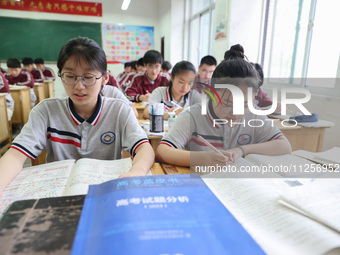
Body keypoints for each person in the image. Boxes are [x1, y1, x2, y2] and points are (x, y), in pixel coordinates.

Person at [0, 37, 155, 197]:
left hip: (103, 194)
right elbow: (15, 155)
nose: (79, 86)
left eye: (88, 77)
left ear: (105, 78)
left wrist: (136, 172)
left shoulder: (119, 110)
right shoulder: (45, 111)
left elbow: (144, 148)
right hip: (58, 197)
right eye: (70, 76)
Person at [156, 58, 291, 167]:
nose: (236, 113)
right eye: (227, 104)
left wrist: (242, 150)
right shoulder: (192, 116)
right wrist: (204, 158)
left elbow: (284, 145)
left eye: (244, 104)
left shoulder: (254, 114)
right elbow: (163, 151)